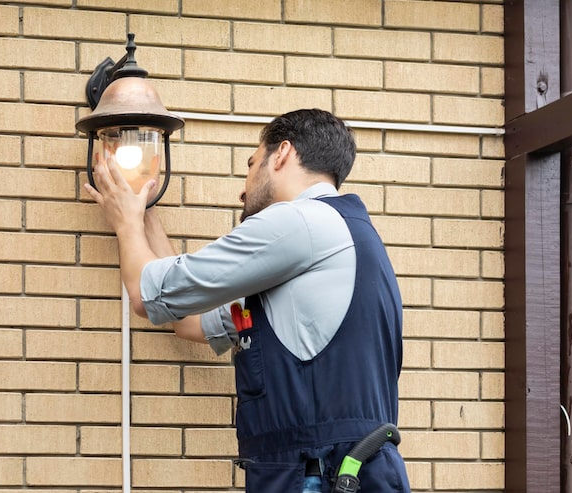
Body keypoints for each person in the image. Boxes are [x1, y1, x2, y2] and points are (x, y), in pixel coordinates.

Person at [85, 108, 411, 493]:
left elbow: (145, 294)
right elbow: (189, 320)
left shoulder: (298, 223)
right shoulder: (334, 242)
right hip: (348, 474)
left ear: (283, 153)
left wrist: (125, 222)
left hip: (319, 476)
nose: (243, 188)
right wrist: (146, 215)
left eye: (252, 164)